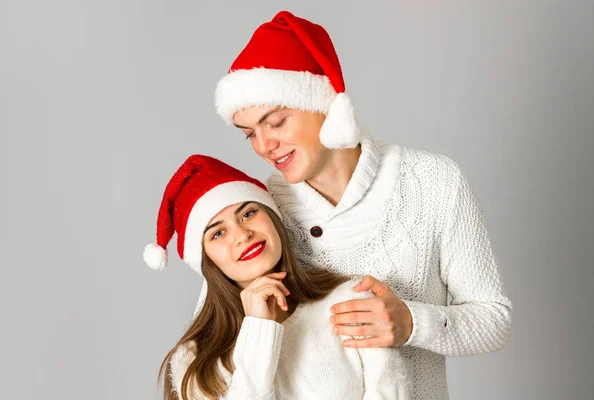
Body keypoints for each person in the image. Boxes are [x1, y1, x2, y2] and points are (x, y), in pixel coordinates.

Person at [205, 10, 513, 400]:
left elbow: (494, 319)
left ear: (323, 104)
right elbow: (217, 340)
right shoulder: (258, 211)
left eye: (277, 122)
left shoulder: (434, 182)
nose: (264, 146)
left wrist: (413, 323)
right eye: (249, 134)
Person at [143, 155, 411, 399]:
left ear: (272, 217)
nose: (242, 234)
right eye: (218, 233)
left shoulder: (350, 302)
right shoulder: (195, 362)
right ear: (206, 260)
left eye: (248, 213)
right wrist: (259, 330)